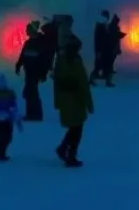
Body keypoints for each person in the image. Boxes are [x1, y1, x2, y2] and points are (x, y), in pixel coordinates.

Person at [53, 20, 93, 167]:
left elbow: (56, 81)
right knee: (77, 129)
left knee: (74, 127)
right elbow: (83, 84)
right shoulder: (76, 62)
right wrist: (89, 103)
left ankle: (63, 149)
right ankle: (70, 154)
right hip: (76, 100)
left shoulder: (61, 61)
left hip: (65, 100)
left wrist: (57, 101)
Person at [15, 21, 47, 121]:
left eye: (28, 30)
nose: (27, 32)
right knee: (29, 92)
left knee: (32, 92)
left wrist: (43, 73)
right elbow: (23, 55)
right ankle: (31, 113)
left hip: (36, 72)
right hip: (28, 71)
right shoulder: (28, 43)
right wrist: (18, 65)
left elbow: (45, 60)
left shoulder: (41, 43)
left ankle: (36, 114)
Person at [0, 72, 23, 162]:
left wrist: (16, 118)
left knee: (5, 138)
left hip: (4, 121)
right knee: (4, 138)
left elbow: (13, 109)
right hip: (0, 121)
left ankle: (0, 153)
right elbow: (12, 109)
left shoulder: (6, 97)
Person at [89, 10, 110, 85]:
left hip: (104, 49)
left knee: (105, 65)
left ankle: (107, 80)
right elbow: (97, 40)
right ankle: (92, 79)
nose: (108, 18)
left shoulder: (104, 25)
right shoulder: (100, 26)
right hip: (101, 50)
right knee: (99, 65)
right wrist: (98, 51)